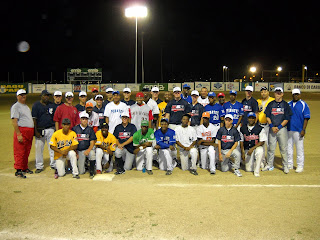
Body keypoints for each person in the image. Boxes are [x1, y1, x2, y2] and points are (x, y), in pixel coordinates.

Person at [263, 87, 292, 173]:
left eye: (279, 93)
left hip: (282, 129)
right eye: (276, 93)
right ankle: (270, 165)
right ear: (274, 94)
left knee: (283, 148)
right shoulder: (271, 104)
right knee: (271, 148)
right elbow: (267, 116)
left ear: (282, 94)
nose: (278, 94)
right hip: (272, 128)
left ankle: (285, 166)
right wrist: (272, 126)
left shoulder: (285, 105)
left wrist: (279, 127)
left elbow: (287, 118)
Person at [11, 89, 34, 178]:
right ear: (17, 96)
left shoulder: (25, 106)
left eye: (24, 94)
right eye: (21, 95)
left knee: (26, 150)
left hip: (29, 132)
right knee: (19, 150)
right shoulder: (16, 106)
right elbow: (14, 121)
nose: (23, 96)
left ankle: (24, 167)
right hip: (22, 131)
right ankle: (18, 169)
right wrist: (18, 134)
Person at [32, 90, 56, 173]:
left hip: (50, 129)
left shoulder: (51, 105)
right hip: (40, 129)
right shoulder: (36, 105)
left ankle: (53, 164)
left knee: (52, 148)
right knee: (39, 149)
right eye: (45, 95)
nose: (46, 97)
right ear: (41, 96)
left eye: (48, 95)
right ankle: (39, 166)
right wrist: (35, 131)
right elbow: (34, 119)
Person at [287, 88, 310, 173]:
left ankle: (300, 165)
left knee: (299, 148)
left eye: (297, 94)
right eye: (294, 94)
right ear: (292, 95)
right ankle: (289, 163)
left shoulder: (304, 104)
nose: (295, 96)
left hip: (299, 130)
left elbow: (306, 118)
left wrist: (303, 129)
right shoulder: (288, 104)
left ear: (300, 95)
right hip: (289, 129)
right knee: (289, 148)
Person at [240, 112, 267, 177]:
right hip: (247, 150)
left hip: (256, 148)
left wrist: (252, 149)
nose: (251, 119)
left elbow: (262, 142)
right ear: (247, 119)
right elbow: (241, 141)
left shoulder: (260, 128)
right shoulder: (243, 128)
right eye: (250, 118)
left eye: (253, 118)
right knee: (248, 169)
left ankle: (257, 171)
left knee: (260, 150)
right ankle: (257, 162)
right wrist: (243, 152)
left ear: (255, 119)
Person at [72, 112, 97, 178]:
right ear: (80, 120)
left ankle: (92, 171)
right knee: (81, 172)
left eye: (86, 119)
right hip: (79, 151)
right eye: (83, 119)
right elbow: (73, 142)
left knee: (92, 154)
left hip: (87, 149)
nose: (84, 120)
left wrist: (88, 150)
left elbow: (92, 142)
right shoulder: (75, 129)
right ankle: (85, 164)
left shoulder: (90, 129)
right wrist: (75, 152)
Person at [257, 86, 275, 165]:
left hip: (268, 126)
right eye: (262, 92)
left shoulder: (272, 100)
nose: (263, 93)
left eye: (265, 91)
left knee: (269, 144)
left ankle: (269, 162)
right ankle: (262, 161)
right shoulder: (258, 101)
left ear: (268, 92)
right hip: (260, 125)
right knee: (261, 144)